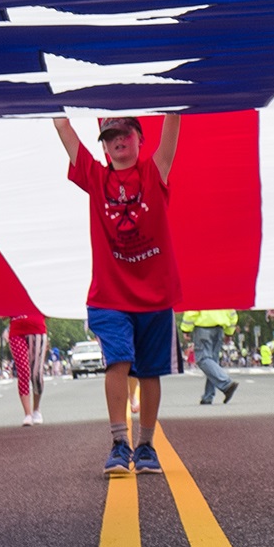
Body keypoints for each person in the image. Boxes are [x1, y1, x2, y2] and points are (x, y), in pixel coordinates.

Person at [53, 112, 182, 476]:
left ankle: (146, 446)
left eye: (125, 133)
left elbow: (173, 120)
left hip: (155, 295)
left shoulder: (154, 172)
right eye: (110, 137)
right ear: (105, 146)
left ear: (140, 138)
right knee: (118, 362)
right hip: (109, 295)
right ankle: (119, 443)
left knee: (151, 372)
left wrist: (174, 101)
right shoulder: (95, 177)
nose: (118, 140)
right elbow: (63, 128)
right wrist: (48, 91)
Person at [181, 309, 239, 406]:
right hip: (219, 329)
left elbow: (192, 311)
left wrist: (186, 329)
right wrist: (229, 332)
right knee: (212, 363)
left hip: (203, 328)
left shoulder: (200, 293)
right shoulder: (224, 293)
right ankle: (208, 396)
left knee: (202, 359)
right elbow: (232, 314)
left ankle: (226, 384)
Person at [8, 313, 49, 424]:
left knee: (36, 374)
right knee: (23, 371)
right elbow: (2, 313)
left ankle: (36, 409)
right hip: (17, 331)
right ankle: (28, 414)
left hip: (37, 329)